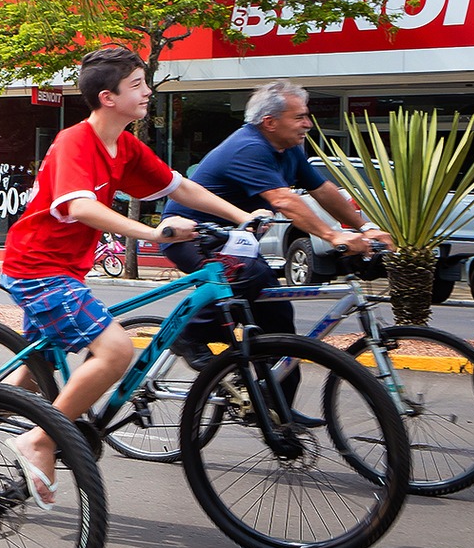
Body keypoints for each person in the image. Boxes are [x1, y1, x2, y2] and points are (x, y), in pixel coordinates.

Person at [0, 46, 259, 506]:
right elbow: (81, 207)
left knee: (35, 371)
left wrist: (243, 216)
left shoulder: (125, 145)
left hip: (67, 269)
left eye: (145, 82)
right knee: (116, 349)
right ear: (107, 97)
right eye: (137, 85)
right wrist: (153, 231)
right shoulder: (75, 143)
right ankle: (40, 440)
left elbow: (181, 186)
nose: (148, 92)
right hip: (38, 268)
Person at [157, 78, 386, 364]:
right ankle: (188, 334)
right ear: (269, 122)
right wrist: (332, 236)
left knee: (279, 321)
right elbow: (283, 200)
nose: (308, 124)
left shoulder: (290, 148)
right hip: (191, 234)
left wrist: (366, 229)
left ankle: (272, 405)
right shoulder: (248, 147)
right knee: (247, 274)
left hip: (234, 239)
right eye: (299, 117)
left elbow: (323, 190)